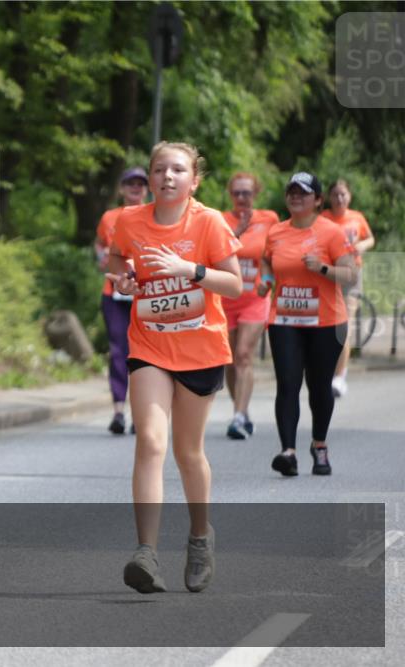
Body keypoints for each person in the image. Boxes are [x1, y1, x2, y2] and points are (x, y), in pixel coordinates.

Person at [106, 142, 242, 594]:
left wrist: (190, 269)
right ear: (150, 176)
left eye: (178, 170)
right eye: (160, 169)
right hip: (150, 345)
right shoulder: (130, 221)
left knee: (188, 453)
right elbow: (114, 259)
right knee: (149, 440)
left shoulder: (209, 222)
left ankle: (200, 537)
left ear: (193, 180)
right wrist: (123, 276)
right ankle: (146, 553)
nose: (167, 176)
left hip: (201, 349)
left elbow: (236, 284)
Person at [259, 172, 356, 477]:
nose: (296, 196)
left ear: (317, 200)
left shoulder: (331, 233)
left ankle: (319, 444)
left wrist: (323, 268)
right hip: (285, 320)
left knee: (319, 387)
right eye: (291, 191)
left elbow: (350, 275)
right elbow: (267, 262)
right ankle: (288, 452)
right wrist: (265, 281)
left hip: (326, 321)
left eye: (303, 192)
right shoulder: (276, 232)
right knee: (288, 384)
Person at [220, 173, 280, 439]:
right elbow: (215, 252)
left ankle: (238, 416)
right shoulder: (220, 220)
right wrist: (238, 232)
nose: (242, 198)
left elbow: (274, 256)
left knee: (244, 354)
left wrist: (269, 280)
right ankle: (240, 409)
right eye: (237, 193)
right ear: (230, 195)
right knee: (230, 361)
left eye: (247, 193)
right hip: (225, 300)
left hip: (256, 297)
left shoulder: (269, 219)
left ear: (256, 193)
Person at [95, 167, 149, 435]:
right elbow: (99, 246)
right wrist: (101, 258)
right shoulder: (109, 217)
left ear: (147, 189)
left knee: (144, 355)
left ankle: (141, 415)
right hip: (115, 295)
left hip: (146, 294)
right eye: (130, 183)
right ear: (121, 188)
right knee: (118, 351)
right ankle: (118, 411)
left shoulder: (154, 216)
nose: (136, 188)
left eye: (141, 184)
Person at [319, 179, 375, 398]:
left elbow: (370, 238)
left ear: (349, 196)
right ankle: (326, 371)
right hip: (328, 275)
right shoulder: (323, 218)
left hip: (351, 275)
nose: (340, 198)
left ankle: (340, 376)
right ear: (329, 198)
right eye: (336, 195)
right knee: (325, 324)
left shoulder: (357, 218)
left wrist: (362, 245)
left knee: (344, 325)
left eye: (343, 194)